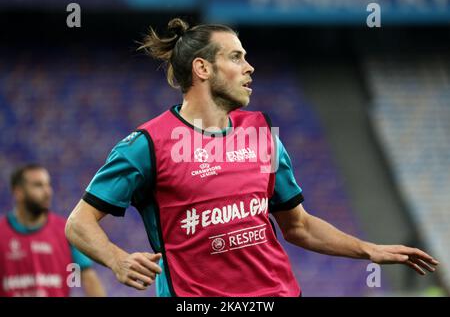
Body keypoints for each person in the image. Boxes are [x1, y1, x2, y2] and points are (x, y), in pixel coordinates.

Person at [65, 18, 439, 297]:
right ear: (202, 68)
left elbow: (299, 226)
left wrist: (369, 249)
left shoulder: (262, 132)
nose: (250, 67)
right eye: (236, 57)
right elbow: (78, 223)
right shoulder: (146, 144)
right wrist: (116, 259)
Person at [0, 164, 106, 297]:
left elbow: (88, 277)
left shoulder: (67, 230)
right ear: (18, 192)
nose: (47, 191)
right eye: (38, 185)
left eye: (48, 185)